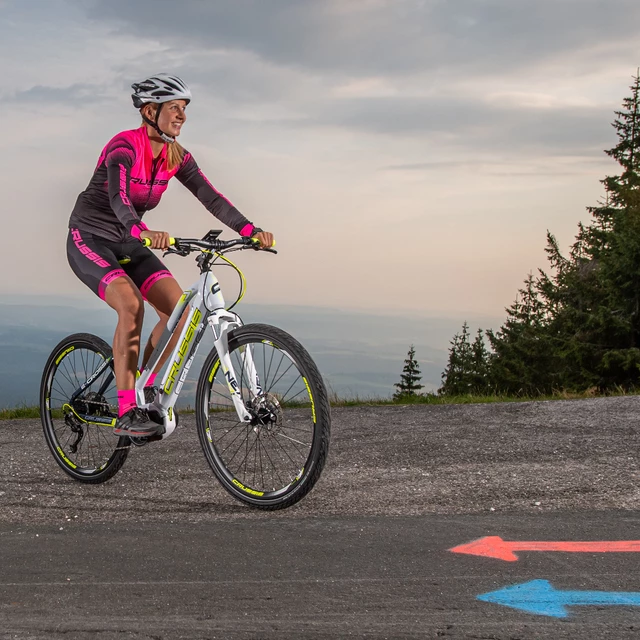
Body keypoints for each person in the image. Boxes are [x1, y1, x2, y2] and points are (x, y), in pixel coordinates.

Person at [67, 73, 274, 437]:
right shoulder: (124, 147)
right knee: (132, 306)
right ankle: (127, 407)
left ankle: (141, 383)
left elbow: (210, 196)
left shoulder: (176, 156)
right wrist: (140, 230)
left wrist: (248, 230)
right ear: (150, 111)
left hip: (132, 239)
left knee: (179, 313)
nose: (182, 116)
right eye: (174, 108)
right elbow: (118, 198)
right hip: (91, 237)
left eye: (184, 109)